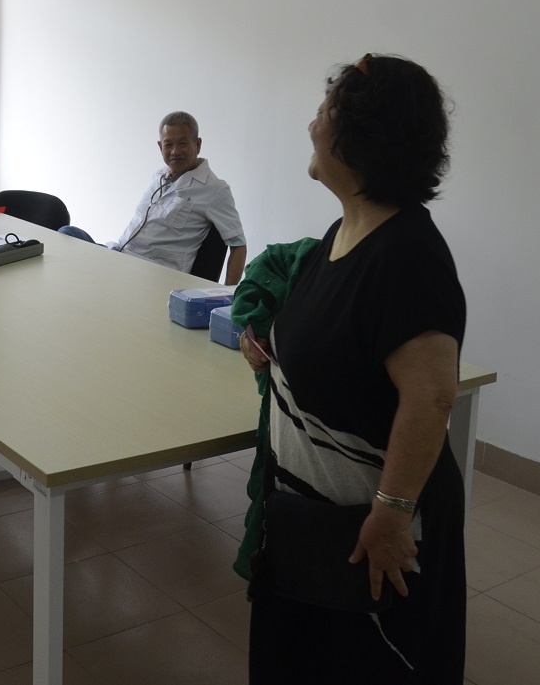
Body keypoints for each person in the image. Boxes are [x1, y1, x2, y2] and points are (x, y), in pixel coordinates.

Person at [240, 55, 467, 683]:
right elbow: (338, 344)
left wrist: (391, 515)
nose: (312, 126)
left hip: (370, 536)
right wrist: (272, 351)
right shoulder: (343, 233)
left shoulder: (408, 256)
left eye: (324, 113)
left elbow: (431, 397)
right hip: (314, 526)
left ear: (360, 138)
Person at [59, 111, 248, 285]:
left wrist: (227, 297)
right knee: (66, 234)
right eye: (168, 144)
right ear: (160, 147)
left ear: (197, 145)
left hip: (151, 276)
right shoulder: (159, 176)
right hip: (119, 256)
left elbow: (239, 245)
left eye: (182, 144)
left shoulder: (215, 189)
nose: (175, 151)